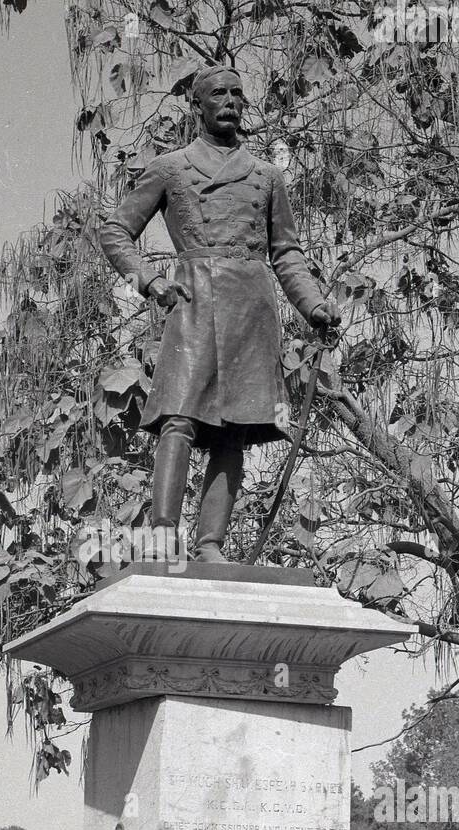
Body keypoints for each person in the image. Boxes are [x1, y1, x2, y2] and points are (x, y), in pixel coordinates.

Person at [98, 63, 340, 563]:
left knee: (236, 429)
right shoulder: (171, 167)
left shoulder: (267, 176)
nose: (230, 101)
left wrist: (314, 305)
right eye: (218, 94)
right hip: (194, 300)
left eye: (237, 93)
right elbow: (115, 230)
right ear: (197, 105)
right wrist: (150, 281)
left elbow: (286, 253)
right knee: (179, 419)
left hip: (252, 308)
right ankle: (163, 539)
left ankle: (210, 546)